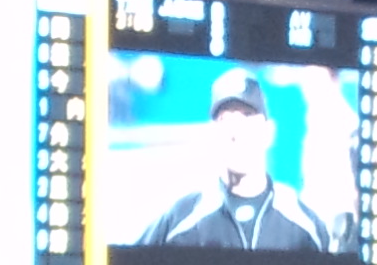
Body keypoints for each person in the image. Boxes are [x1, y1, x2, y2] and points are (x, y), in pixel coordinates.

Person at [137, 69, 330, 252]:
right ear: (213, 134)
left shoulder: (304, 226)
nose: (236, 132)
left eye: (247, 116)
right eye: (225, 119)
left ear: (268, 132)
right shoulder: (180, 221)